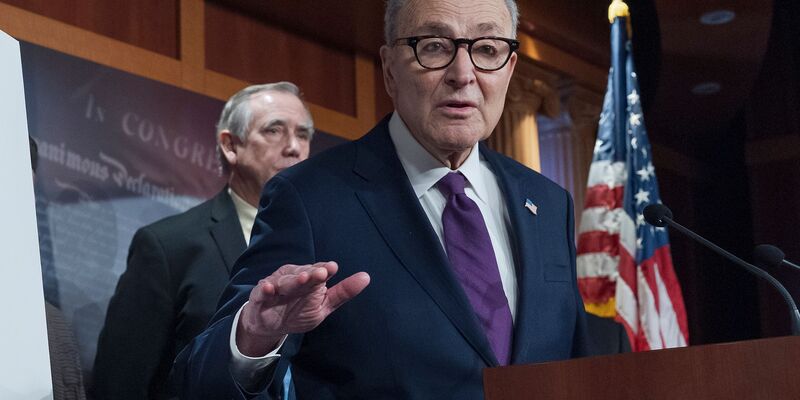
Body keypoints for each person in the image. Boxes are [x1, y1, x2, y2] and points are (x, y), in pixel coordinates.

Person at [174, 0, 589, 398]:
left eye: (486, 49)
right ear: (390, 69)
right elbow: (199, 379)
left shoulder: (549, 204)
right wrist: (254, 335)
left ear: (510, 67)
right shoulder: (310, 197)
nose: (464, 73)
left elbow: (577, 371)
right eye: (434, 47)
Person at [93, 82, 313, 400]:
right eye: (274, 130)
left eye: (303, 135)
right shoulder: (168, 246)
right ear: (230, 146)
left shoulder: (331, 245)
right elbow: (120, 385)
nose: (294, 147)